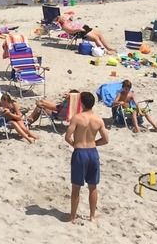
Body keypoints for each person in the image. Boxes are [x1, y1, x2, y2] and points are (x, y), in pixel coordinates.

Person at [64, 91, 108, 224]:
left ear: (81, 103)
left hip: (80, 152)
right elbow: (106, 139)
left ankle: (73, 217)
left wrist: (75, 145)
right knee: (93, 186)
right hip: (93, 152)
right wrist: (94, 143)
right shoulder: (98, 120)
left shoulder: (77, 118)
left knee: (76, 187)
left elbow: (67, 137)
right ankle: (92, 216)